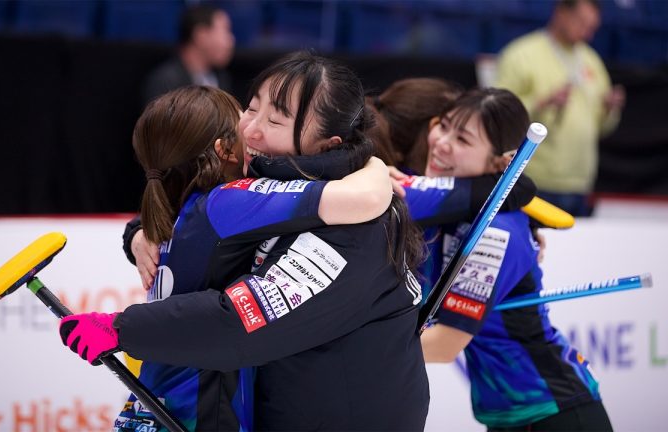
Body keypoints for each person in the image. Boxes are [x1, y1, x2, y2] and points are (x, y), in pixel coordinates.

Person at [59, 52, 430, 431]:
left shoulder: (352, 227)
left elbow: (241, 322)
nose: (250, 130)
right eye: (251, 108)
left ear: (325, 144)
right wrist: (139, 234)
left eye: (275, 119)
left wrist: (123, 328)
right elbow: (191, 213)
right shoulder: (272, 189)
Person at [407, 88, 612, 431]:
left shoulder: (495, 230)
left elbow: (444, 345)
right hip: (509, 415)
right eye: (442, 126)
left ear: (500, 162)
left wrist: (352, 354)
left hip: (553, 411)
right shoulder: (448, 209)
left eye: (463, 139)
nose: (442, 142)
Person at [494, 0, 626, 216]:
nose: (588, 33)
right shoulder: (522, 54)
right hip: (533, 181)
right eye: (582, 23)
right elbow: (495, 112)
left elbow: (601, 127)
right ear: (561, 13)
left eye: (592, 27)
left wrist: (609, 110)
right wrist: (541, 102)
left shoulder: (591, 60)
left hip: (580, 182)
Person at [141, 4, 235, 105]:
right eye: (225, 31)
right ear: (201, 35)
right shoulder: (165, 81)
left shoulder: (222, 79)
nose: (231, 41)